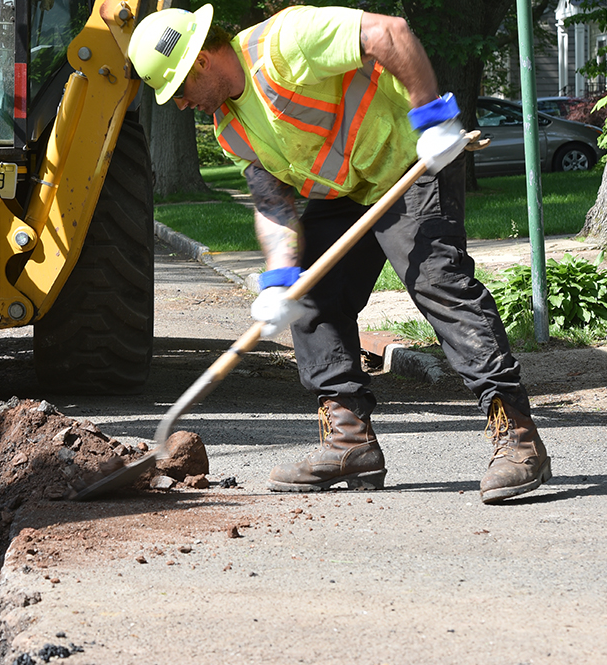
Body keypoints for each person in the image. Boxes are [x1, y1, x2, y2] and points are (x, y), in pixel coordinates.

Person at [126, 4, 551, 503]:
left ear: (199, 61)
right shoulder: (230, 127)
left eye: (178, 91)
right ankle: (349, 442)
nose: (179, 105)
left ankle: (517, 434)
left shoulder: (284, 42)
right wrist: (280, 277)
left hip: (413, 160)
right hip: (346, 191)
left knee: (436, 280)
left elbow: (388, 32)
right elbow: (273, 198)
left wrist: (433, 117)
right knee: (311, 290)